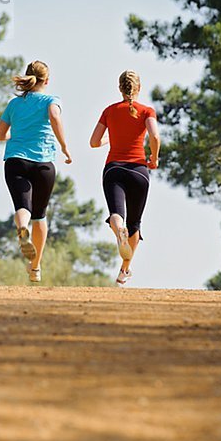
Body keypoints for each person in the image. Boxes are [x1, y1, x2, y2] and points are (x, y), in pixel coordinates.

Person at [0, 60, 72, 282]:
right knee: (40, 215)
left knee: (22, 206)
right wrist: (65, 148)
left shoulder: (14, 104)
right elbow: (55, 116)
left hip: (16, 160)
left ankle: (21, 228)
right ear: (47, 80)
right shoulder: (51, 100)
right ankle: (35, 267)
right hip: (44, 164)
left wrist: (14, 137)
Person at [90, 69, 160, 286]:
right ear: (139, 88)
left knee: (116, 214)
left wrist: (109, 140)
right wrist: (154, 158)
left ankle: (119, 229)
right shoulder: (147, 111)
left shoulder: (109, 111)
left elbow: (93, 142)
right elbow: (155, 136)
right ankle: (124, 271)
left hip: (114, 169)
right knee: (135, 223)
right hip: (139, 171)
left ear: (120, 88)